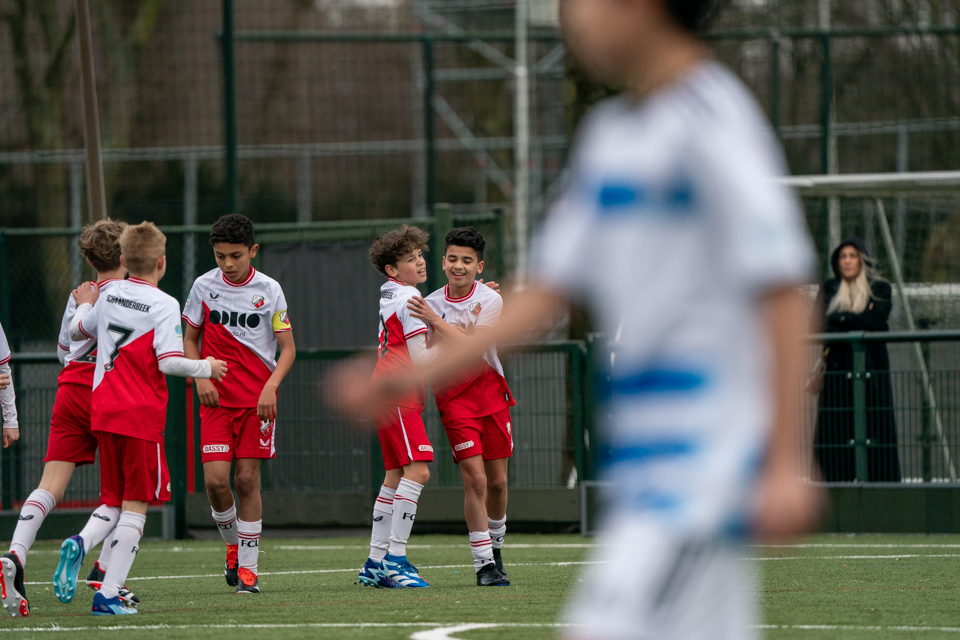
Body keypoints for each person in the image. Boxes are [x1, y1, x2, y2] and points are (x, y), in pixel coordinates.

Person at [336, 0, 823, 637]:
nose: (572, 17)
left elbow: (780, 286)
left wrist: (784, 462)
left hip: (707, 459)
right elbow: (546, 292)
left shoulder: (714, 115)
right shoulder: (613, 134)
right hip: (645, 465)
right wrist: (406, 378)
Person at [69, 222, 227, 616]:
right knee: (136, 505)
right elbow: (170, 362)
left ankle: (81, 542)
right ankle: (107, 593)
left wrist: (86, 302)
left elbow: (77, 331)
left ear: (122, 261)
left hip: (102, 409)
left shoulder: (107, 294)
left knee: (112, 500)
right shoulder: (163, 303)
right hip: (139, 415)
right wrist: (206, 366)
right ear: (162, 262)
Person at [0, 219, 139, 617]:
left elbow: (65, 349)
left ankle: (16, 553)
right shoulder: (138, 294)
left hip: (70, 388)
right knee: (127, 495)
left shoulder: (79, 295)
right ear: (127, 254)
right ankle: (105, 573)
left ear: (88, 258)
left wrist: (84, 305)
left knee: (49, 486)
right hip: (111, 392)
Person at [183, 214, 295, 595]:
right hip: (215, 400)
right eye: (219, 256)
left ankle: (248, 571)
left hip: (256, 404)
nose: (227, 264)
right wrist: (199, 377)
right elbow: (189, 340)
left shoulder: (270, 289)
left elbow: (288, 349)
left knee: (246, 480)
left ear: (253, 251)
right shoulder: (202, 287)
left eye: (235, 255)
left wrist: (271, 387)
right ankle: (232, 545)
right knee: (216, 482)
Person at [407, 227, 514, 587]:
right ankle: (484, 565)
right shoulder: (428, 301)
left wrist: (436, 323)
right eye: (452, 259)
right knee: (477, 479)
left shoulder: (490, 300)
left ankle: (496, 549)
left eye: (467, 261)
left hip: (490, 391)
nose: (458, 266)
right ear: (443, 261)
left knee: (498, 483)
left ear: (479, 266)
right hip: (454, 398)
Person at [357, 225, 440, 590]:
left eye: (420, 255)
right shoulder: (408, 298)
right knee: (418, 473)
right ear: (392, 269)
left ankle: (375, 562)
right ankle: (395, 560)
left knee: (394, 477)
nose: (420, 262)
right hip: (398, 393)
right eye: (411, 259)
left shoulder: (394, 295)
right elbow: (422, 361)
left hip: (388, 391)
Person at [814, 238, 900, 482]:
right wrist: (861, 316)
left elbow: (878, 321)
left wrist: (839, 319)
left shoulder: (880, 288)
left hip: (872, 373)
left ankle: (880, 487)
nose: (848, 261)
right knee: (836, 429)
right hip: (837, 374)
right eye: (843, 256)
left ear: (862, 260)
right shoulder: (829, 289)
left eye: (852, 256)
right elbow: (819, 324)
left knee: (875, 427)